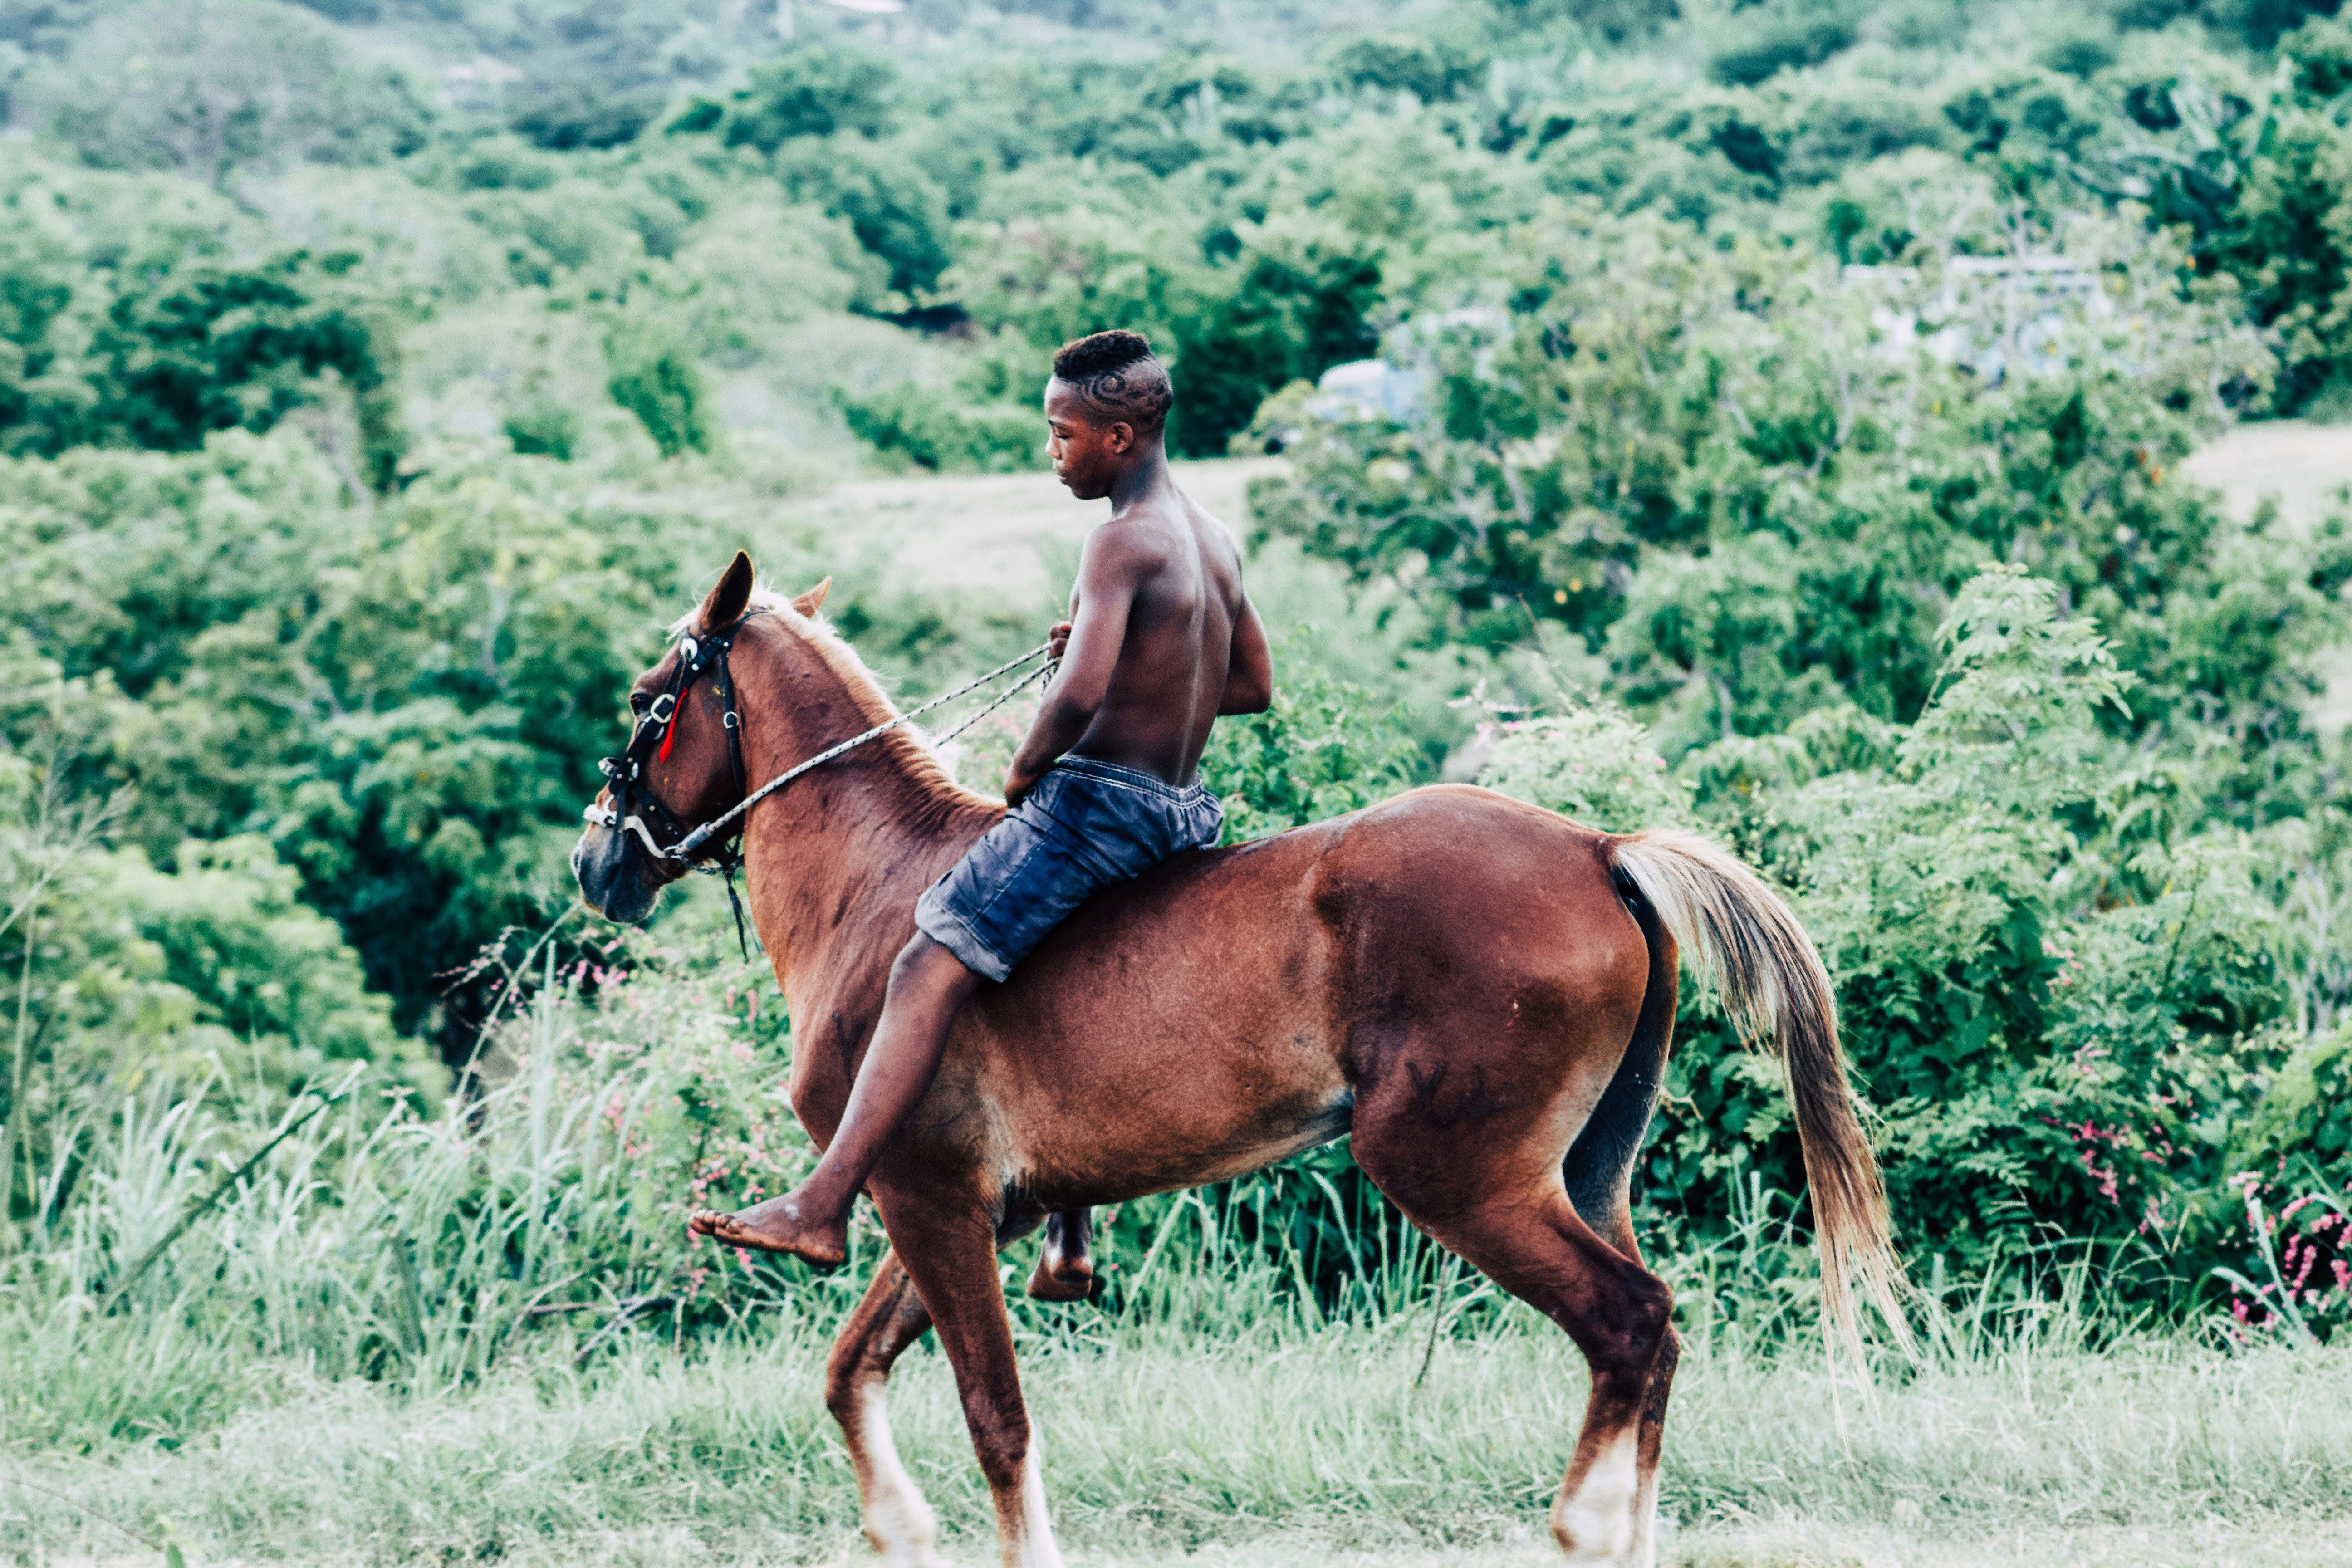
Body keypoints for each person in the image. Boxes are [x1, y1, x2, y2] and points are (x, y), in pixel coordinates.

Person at [688, 329, 1275, 1289]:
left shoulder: (1118, 542)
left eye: (1063, 433)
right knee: (1052, 958)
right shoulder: (1210, 535)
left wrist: (1026, 770)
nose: (1054, 452)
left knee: (927, 960)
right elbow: (1249, 686)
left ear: (1120, 437)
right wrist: (1135, 655)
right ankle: (1068, 1240)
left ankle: (822, 1202)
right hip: (1181, 809)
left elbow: (1079, 698)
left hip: (1100, 806)